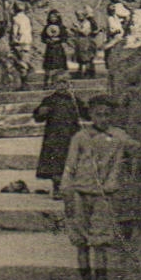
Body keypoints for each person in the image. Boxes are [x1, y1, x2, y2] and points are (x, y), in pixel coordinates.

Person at [60, 96, 135, 280]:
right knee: (81, 242)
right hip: (80, 193)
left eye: (107, 114)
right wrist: (66, 192)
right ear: (91, 115)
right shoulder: (80, 137)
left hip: (104, 196)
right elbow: (70, 166)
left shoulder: (119, 136)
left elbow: (136, 149)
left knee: (100, 243)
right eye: (98, 114)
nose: (103, 118)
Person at [32, 70, 86, 199]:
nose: (63, 85)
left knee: (73, 160)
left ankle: (72, 187)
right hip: (54, 136)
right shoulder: (49, 100)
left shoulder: (74, 100)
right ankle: (57, 188)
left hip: (72, 135)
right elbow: (38, 117)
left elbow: (85, 113)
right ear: (53, 85)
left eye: (66, 82)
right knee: (56, 162)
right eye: (59, 83)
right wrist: (41, 112)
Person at [9, 1, 36, 90]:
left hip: (19, 42)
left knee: (20, 62)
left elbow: (14, 31)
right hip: (27, 41)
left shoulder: (15, 18)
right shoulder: (27, 18)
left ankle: (24, 83)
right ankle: (25, 81)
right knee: (25, 59)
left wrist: (13, 40)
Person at [41, 9, 68, 86]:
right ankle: (47, 83)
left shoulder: (61, 27)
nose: (52, 19)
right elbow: (43, 37)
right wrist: (47, 40)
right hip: (49, 49)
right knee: (49, 66)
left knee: (58, 66)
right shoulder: (46, 27)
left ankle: (56, 82)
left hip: (58, 49)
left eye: (54, 17)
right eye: (51, 17)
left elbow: (65, 37)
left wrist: (58, 39)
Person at [71, 7, 100, 78]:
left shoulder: (87, 23)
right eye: (77, 15)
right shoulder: (79, 23)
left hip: (86, 41)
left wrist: (77, 29)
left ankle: (88, 72)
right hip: (80, 41)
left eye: (80, 15)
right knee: (80, 57)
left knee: (86, 57)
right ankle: (80, 72)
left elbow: (85, 33)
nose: (78, 17)